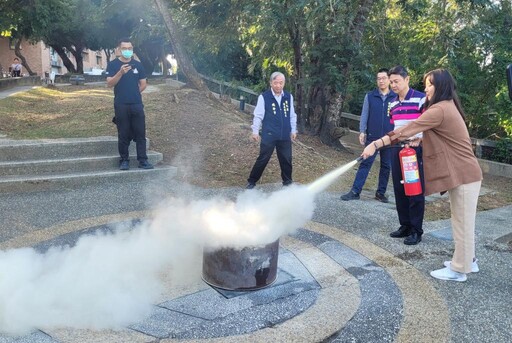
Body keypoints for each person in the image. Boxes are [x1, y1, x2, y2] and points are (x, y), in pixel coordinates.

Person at [362, 68, 483, 282]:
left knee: (463, 222)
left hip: (464, 174)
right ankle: (468, 260)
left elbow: (408, 128)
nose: (426, 88)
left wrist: (376, 143)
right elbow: (442, 138)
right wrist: (421, 140)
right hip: (464, 173)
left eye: (430, 84)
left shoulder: (440, 109)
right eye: (426, 84)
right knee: (461, 221)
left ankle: (459, 270)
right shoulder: (446, 106)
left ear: (442, 86)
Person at [382, 65, 426, 245]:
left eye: (396, 81)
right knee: (399, 188)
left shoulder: (421, 99)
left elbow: (428, 124)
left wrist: (420, 139)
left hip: (413, 151)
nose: (393, 85)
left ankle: (416, 230)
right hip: (396, 149)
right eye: (391, 81)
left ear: (407, 79)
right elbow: (395, 126)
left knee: (414, 189)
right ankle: (405, 225)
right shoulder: (392, 103)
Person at [341, 68, 395, 203]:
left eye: (383, 78)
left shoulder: (395, 97)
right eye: (379, 78)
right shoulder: (370, 96)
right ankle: (355, 191)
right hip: (372, 137)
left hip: (389, 138)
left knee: (386, 166)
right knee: (365, 163)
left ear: (389, 80)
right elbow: (365, 114)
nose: (381, 81)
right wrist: (362, 131)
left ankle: (380, 193)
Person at [106, 37, 153, 170]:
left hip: (137, 104)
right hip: (121, 104)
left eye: (130, 48)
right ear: (119, 50)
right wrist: (120, 73)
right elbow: (109, 84)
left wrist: (134, 93)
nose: (127, 51)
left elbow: (143, 84)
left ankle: (143, 160)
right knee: (123, 133)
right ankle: (124, 160)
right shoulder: (113, 65)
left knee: (140, 133)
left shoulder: (138, 65)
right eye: (124, 48)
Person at [246, 72, 297, 189]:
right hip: (269, 135)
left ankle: (287, 183)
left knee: (286, 159)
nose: (278, 86)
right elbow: (258, 115)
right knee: (263, 159)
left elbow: (292, 115)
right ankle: (252, 181)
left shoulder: (288, 96)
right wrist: (255, 131)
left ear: (284, 83)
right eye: (275, 83)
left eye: (281, 83)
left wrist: (293, 130)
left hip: (284, 135)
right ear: (271, 83)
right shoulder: (264, 97)